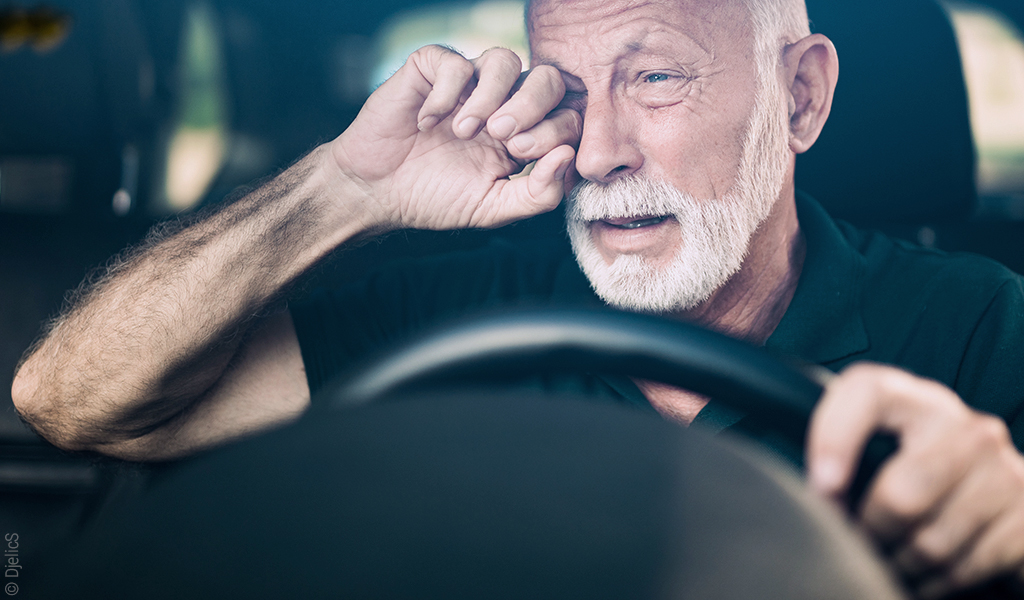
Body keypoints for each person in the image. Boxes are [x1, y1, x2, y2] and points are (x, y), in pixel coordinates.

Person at [10, 0, 1024, 596]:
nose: (596, 151)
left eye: (656, 79)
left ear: (799, 96)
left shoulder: (979, 326)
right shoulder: (454, 310)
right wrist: (340, 192)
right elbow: (73, 400)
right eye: (570, 91)